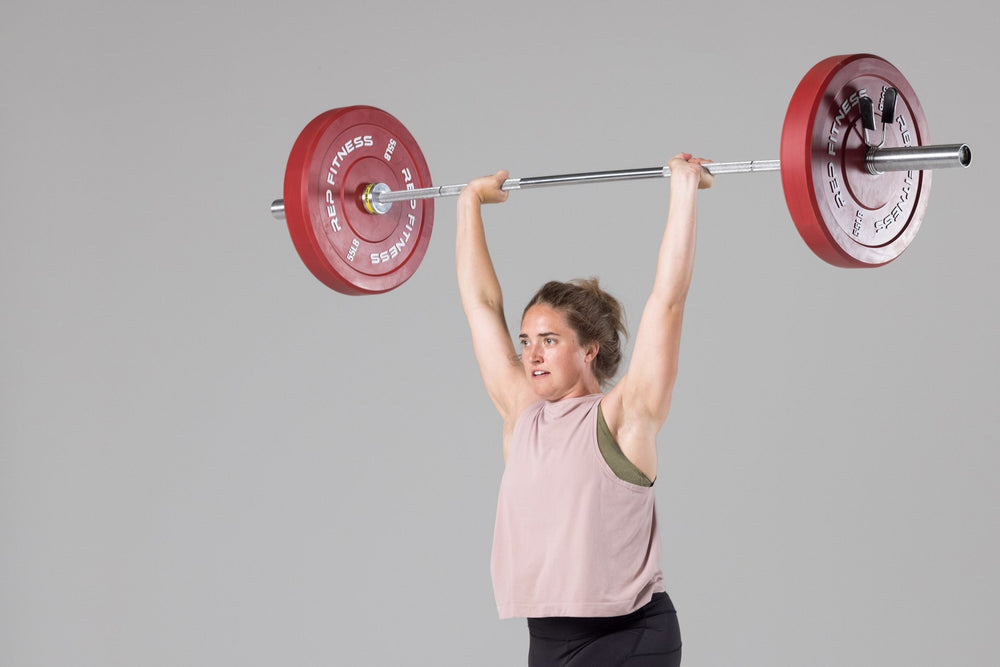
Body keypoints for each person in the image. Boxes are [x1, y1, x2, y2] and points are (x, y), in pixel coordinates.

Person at [456, 154, 714, 667]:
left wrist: (684, 190)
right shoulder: (522, 415)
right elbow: (481, 305)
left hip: (632, 633)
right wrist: (469, 206)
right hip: (547, 642)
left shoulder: (623, 417)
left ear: (590, 349)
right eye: (527, 340)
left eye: (549, 340)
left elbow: (667, 302)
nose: (531, 354)